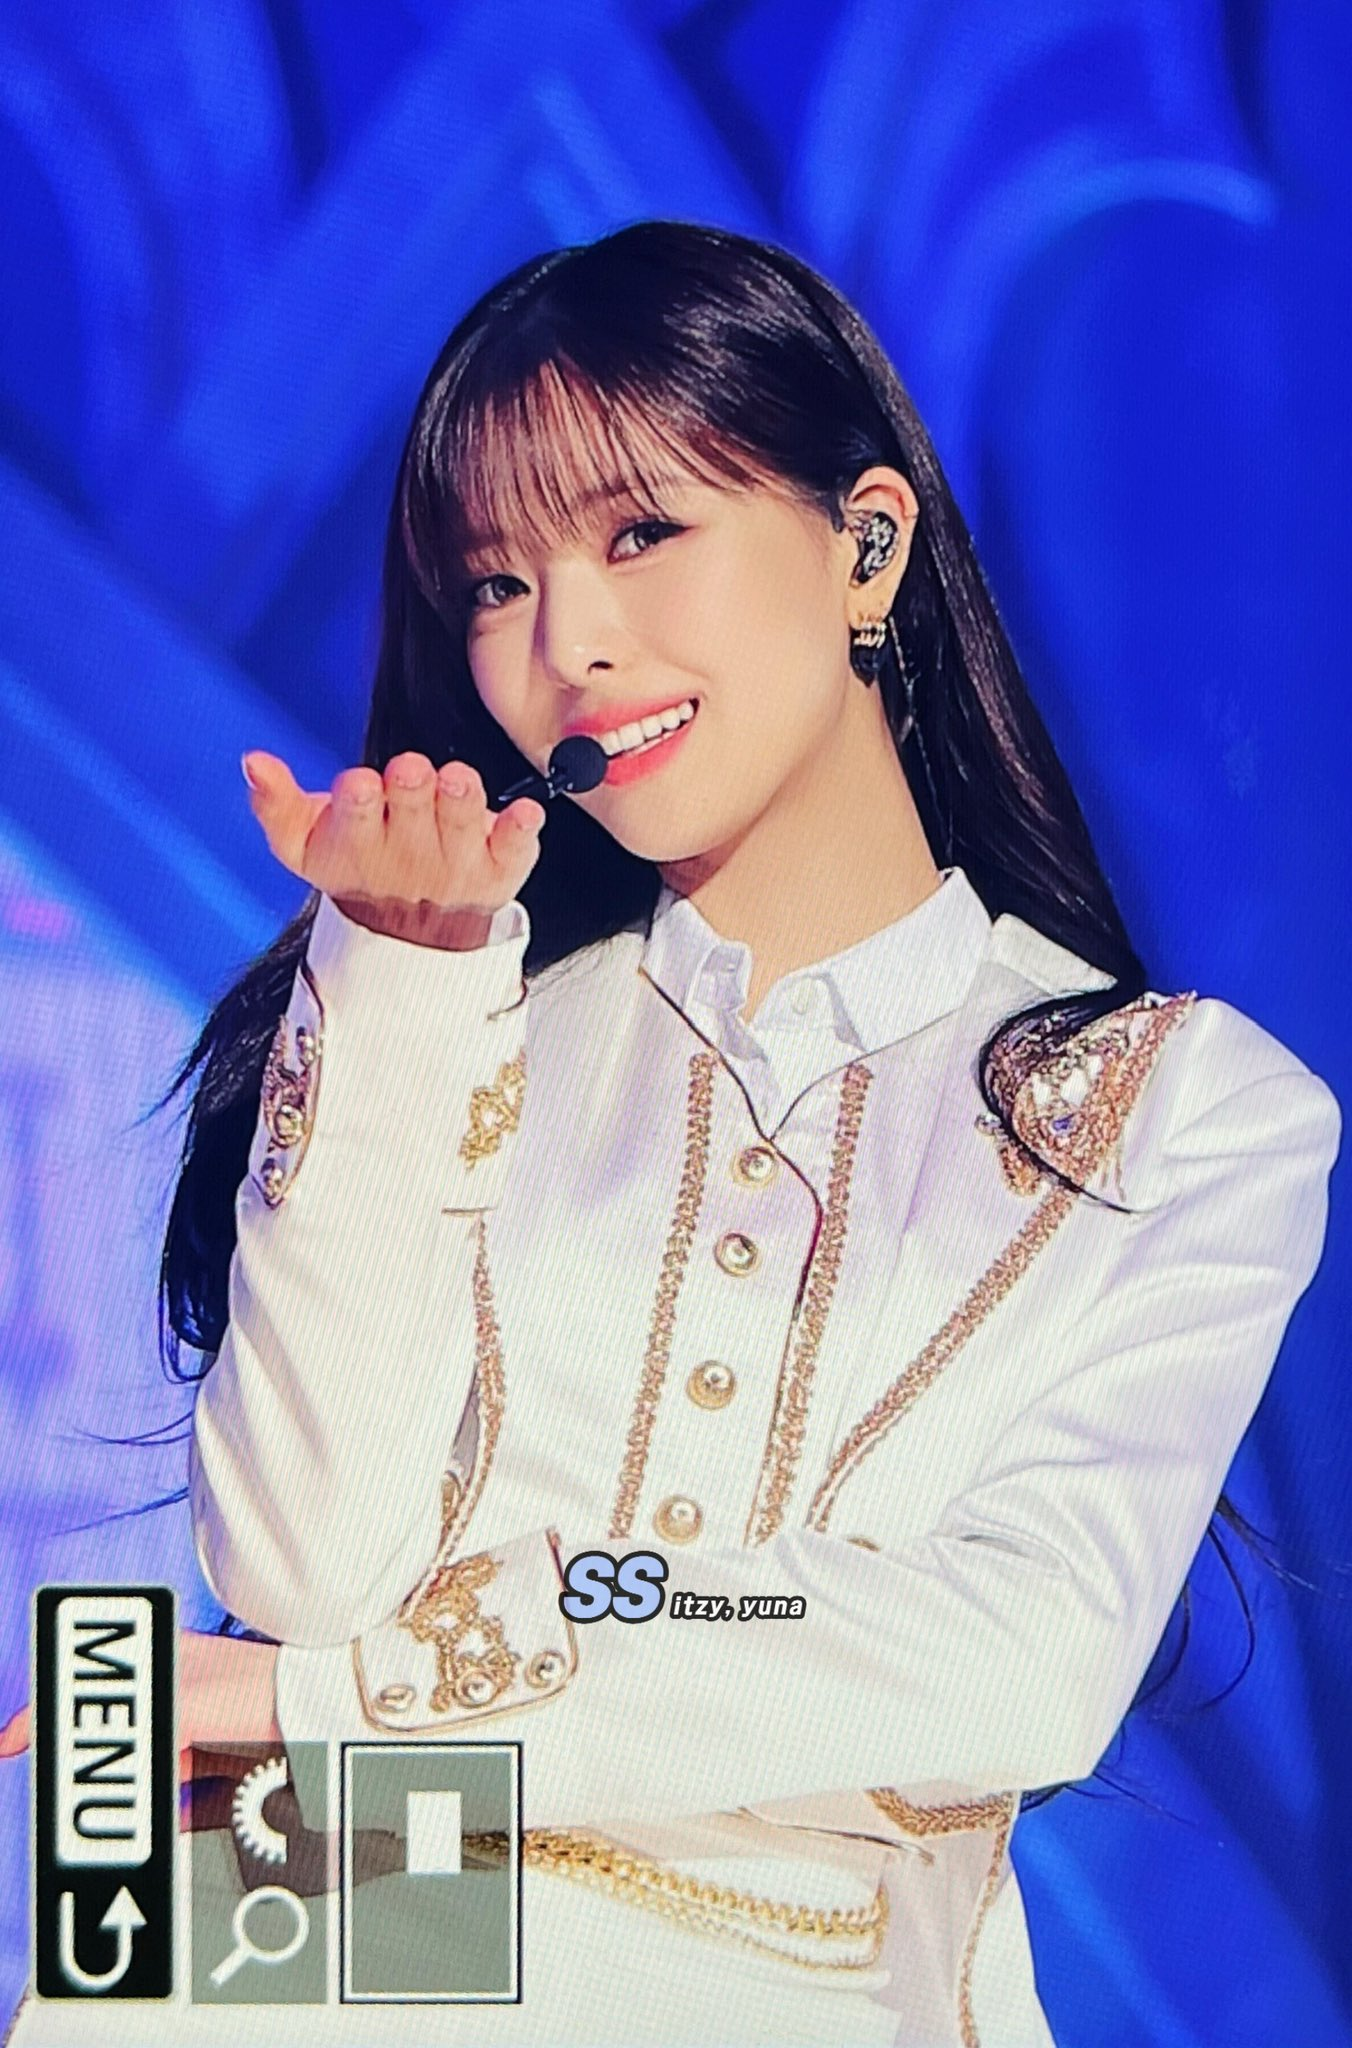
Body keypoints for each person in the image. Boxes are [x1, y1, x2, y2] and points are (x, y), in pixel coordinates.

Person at [1, 219, 1339, 2047]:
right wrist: (391, 984)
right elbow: (297, 1570)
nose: (569, 644)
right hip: (344, 1912)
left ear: (867, 544)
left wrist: (354, 1702)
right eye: (494, 584)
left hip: (805, 1979)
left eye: (640, 534)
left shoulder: (1189, 1110)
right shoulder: (465, 1027)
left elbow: (1025, 1655)